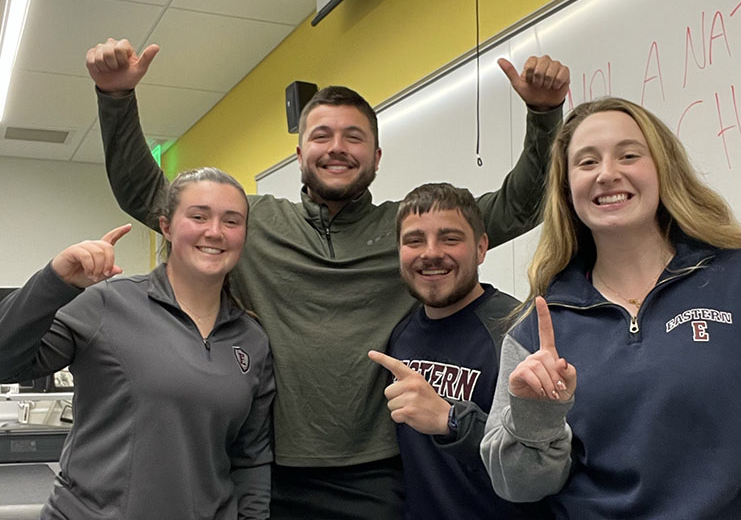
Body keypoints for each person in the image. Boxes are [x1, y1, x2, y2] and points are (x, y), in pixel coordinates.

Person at [85, 37, 570, 519]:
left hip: (379, 475)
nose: (336, 148)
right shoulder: (249, 224)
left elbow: (519, 205)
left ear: (377, 157)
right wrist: (115, 98)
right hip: (269, 470)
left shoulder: (410, 233)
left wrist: (545, 114)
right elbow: (148, 194)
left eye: (354, 137)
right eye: (321, 136)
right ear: (299, 153)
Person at [480, 97, 741, 518]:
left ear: (663, 168)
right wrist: (537, 418)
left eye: (629, 155)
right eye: (587, 163)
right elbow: (517, 488)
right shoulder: (538, 330)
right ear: (566, 188)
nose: (608, 174)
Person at [0, 168, 275, 520]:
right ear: (166, 227)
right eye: (198, 216)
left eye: (232, 221)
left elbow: (251, 458)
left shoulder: (252, 340)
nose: (215, 231)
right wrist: (55, 282)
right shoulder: (104, 304)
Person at [368, 182, 546, 519]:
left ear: (481, 248)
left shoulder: (517, 330)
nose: (431, 253)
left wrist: (450, 421)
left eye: (450, 239)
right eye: (414, 240)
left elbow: (538, 465)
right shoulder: (400, 336)